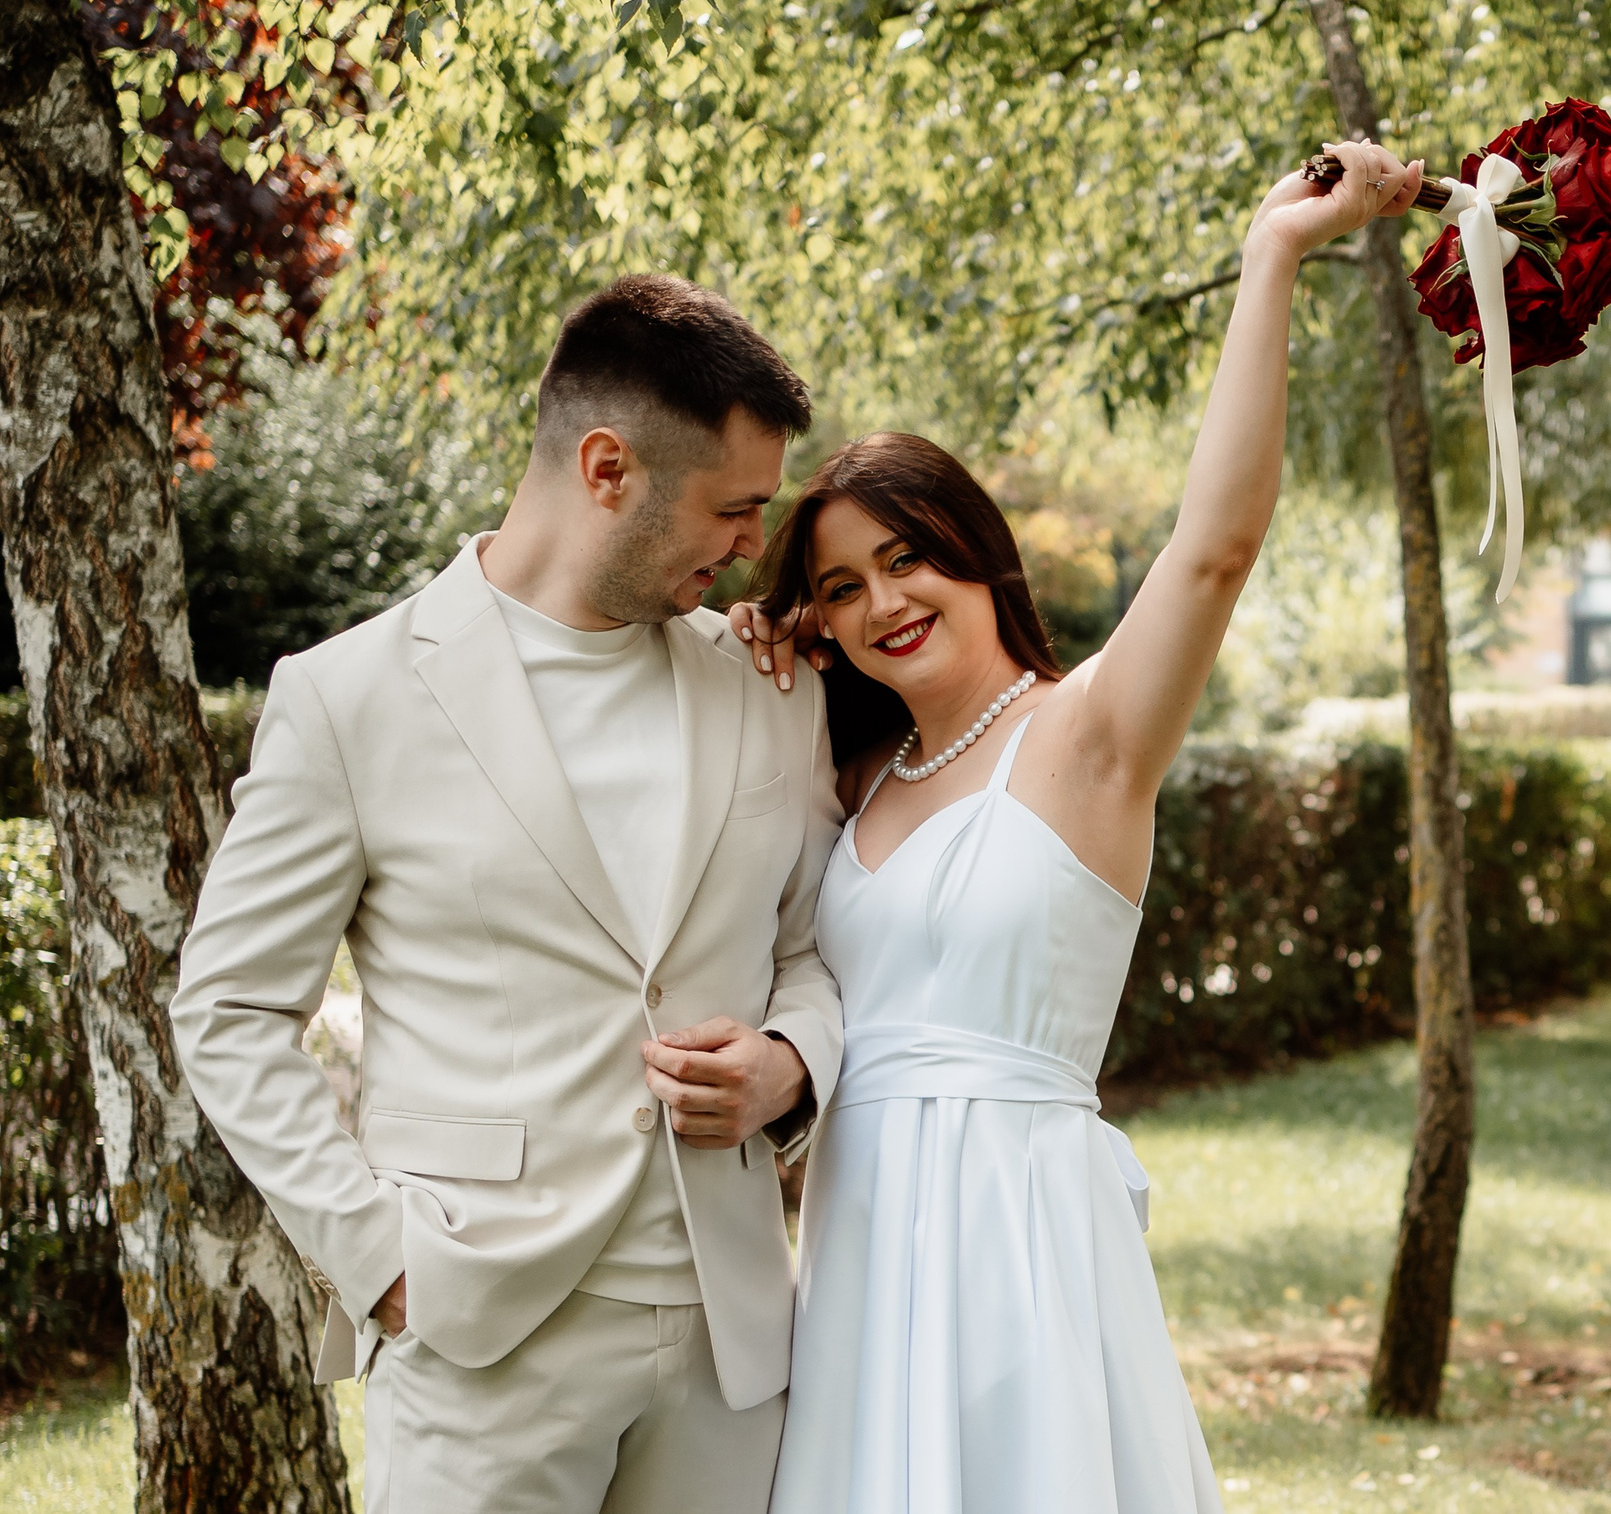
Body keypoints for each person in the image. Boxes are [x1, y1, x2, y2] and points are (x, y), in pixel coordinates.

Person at [733, 140, 1425, 1512]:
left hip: (1020, 1240)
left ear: (980, 552)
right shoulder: (847, 780)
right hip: (863, 1250)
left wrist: (1273, 255)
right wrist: (749, 642)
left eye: (908, 555)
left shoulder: (1089, 733)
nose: (884, 602)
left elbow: (1215, 542)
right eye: (843, 585)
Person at [170, 275, 845, 1513]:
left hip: (734, 1341)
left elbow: (808, 946)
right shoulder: (346, 698)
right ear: (606, 469)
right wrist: (377, 1262)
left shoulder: (770, 686)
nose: (754, 544)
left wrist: (791, 1064)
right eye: (733, 508)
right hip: (478, 1334)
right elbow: (225, 1010)